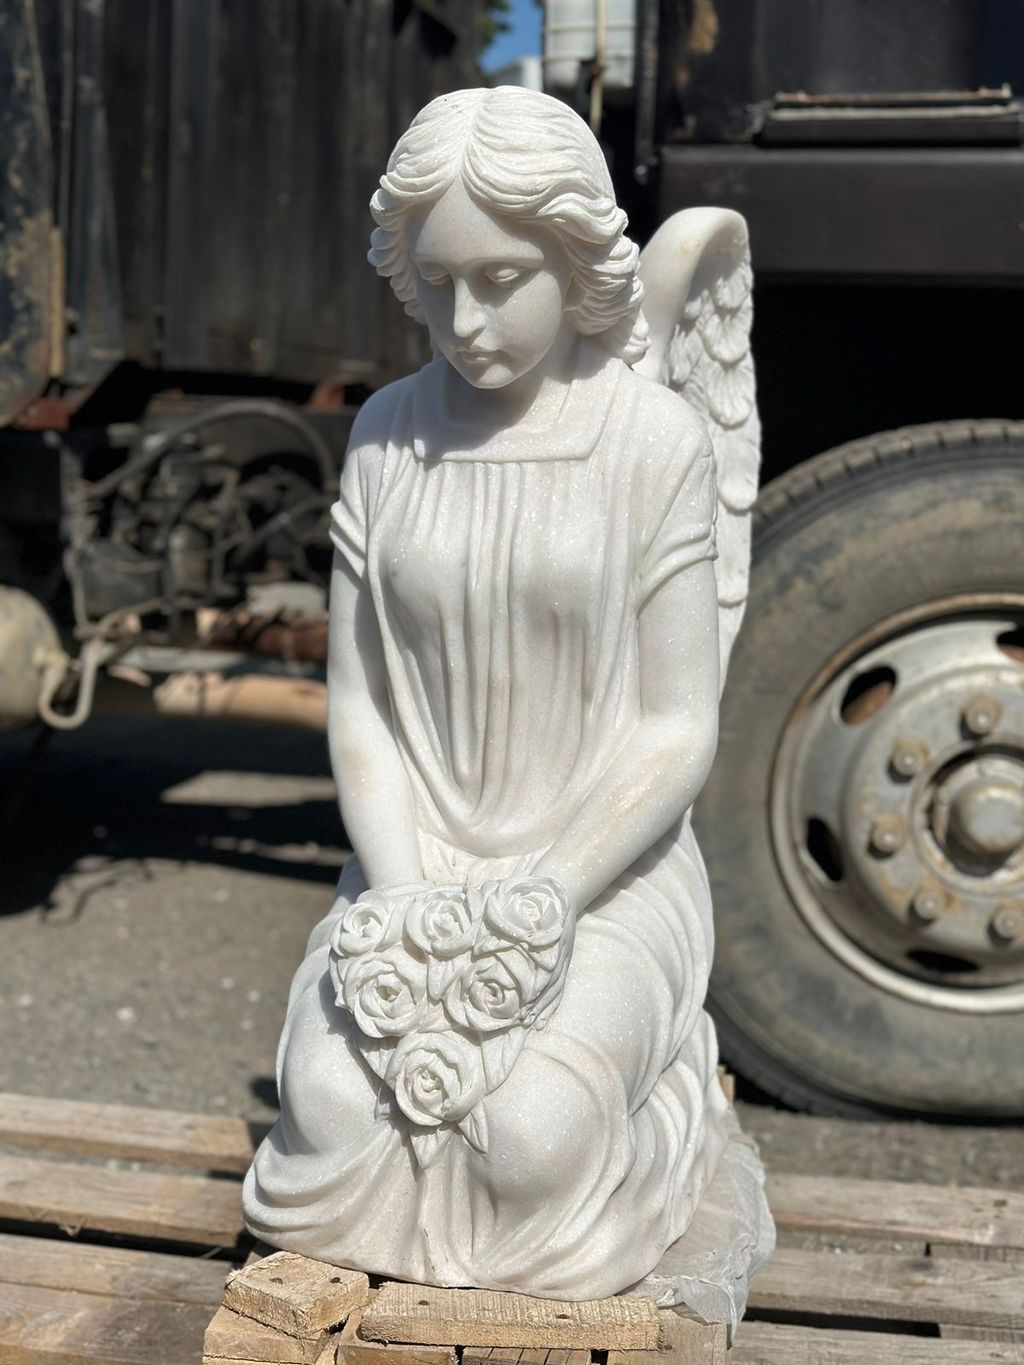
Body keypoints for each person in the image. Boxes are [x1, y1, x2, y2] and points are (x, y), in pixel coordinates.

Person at [243, 85, 737, 1300]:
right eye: (437, 282)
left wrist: (549, 896)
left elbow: (676, 727)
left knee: (528, 1142)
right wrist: (402, 894)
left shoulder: (650, 441)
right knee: (328, 1113)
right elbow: (363, 710)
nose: (465, 321)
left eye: (502, 280)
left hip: (603, 875)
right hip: (416, 865)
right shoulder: (385, 436)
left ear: (574, 261)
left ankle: (669, 1113)